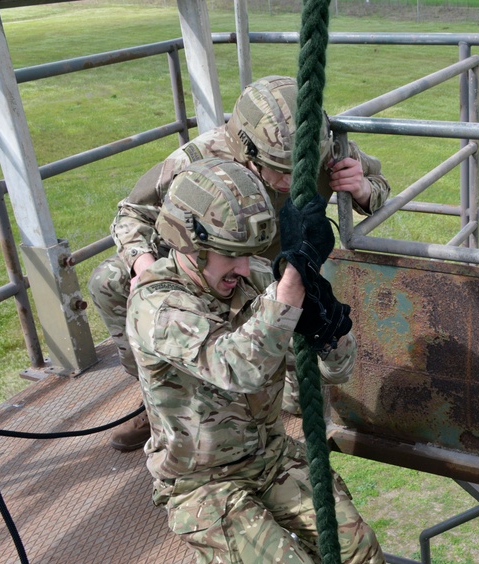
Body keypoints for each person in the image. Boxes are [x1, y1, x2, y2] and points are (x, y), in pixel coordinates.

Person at [126, 157, 394, 564]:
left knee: (358, 554)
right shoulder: (156, 306)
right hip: (201, 484)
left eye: (248, 256)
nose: (245, 269)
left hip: (266, 457)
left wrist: (330, 333)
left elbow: (331, 372)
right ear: (189, 244)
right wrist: (290, 287)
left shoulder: (249, 284)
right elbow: (237, 366)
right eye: (230, 257)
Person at [90, 74, 390, 451]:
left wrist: (362, 189)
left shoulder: (321, 146)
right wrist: (144, 267)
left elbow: (379, 185)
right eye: (278, 169)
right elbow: (132, 212)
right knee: (110, 279)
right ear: (245, 149)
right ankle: (156, 395)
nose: (289, 179)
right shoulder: (200, 159)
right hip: (207, 273)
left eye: (298, 169)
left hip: (275, 280)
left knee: (299, 393)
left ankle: (252, 391)